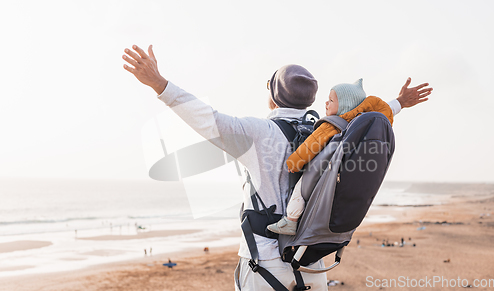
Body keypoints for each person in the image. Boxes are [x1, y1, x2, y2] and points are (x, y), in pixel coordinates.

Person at [122, 44, 432, 291]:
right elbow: (361, 119)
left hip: (264, 263)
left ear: (273, 96)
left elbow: (206, 118)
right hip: (313, 263)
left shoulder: (257, 133)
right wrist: (398, 103)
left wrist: (159, 84)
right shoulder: (331, 128)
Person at [267, 79, 393, 235]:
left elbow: (310, 146)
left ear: (345, 106)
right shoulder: (358, 128)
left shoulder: (331, 125)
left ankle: (290, 221)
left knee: (299, 189)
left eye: (331, 100)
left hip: (319, 170)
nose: (326, 103)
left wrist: (294, 163)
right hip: (338, 178)